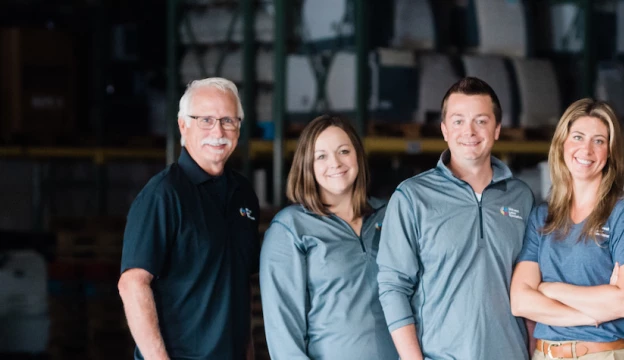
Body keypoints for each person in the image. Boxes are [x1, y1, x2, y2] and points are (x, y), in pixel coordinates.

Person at [377, 77, 536, 360]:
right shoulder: (413, 197)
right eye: (458, 121)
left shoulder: (521, 198)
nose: (470, 131)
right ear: (444, 130)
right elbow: (393, 286)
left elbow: (532, 283)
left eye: (481, 121)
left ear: (497, 129)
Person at [118, 77, 260, 359]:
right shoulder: (163, 195)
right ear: (183, 125)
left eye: (228, 120)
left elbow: (237, 285)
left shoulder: (243, 193)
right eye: (205, 120)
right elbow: (132, 283)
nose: (218, 130)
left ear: (239, 127)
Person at [509, 98, 624, 360]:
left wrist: (549, 289)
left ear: (610, 152)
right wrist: (590, 314)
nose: (586, 149)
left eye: (599, 141)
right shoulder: (542, 217)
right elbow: (520, 300)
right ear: (562, 144)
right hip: (546, 355)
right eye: (578, 137)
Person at [259, 115, 395, 359]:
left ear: (358, 156)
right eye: (321, 156)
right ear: (307, 165)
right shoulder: (291, 228)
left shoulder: (391, 216)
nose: (335, 162)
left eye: (344, 151)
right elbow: (284, 332)